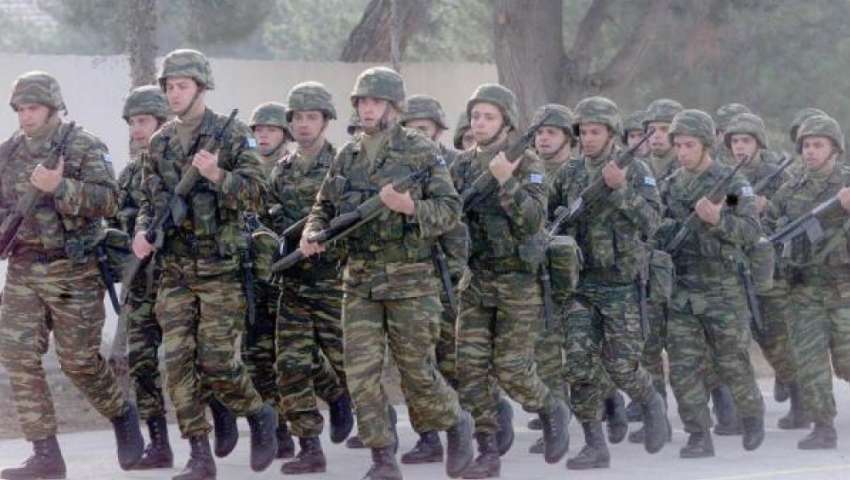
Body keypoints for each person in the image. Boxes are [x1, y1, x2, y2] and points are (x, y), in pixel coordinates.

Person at [299, 66, 474, 480]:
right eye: (362, 101)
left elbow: (450, 210)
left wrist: (410, 207)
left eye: (375, 101)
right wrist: (311, 232)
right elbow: (323, 205)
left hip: (411, 281)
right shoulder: (348, 155)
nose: (367, 108)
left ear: (394, 107)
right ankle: (382, 458)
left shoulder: (419, 150)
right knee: (360, 375)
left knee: (417, 373)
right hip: (360, 280)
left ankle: (455, 422)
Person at [131, 49, 276, 479]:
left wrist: (217, 175)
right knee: (176, 364)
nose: (174, 94)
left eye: (182, 86)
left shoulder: (231, 135)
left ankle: (258, 412)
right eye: (169, 87)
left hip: (220, 268)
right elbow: (149, 201)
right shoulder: (159, 143)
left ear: (201, 88)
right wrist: (142, 231)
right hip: (175, 269)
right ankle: (199, 453)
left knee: (217, 361)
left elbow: (259, 194)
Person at [0, 71, 144, 479]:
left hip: (74, 268)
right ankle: (45, 454)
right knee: (17, 357)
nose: (26, 116)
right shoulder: (8, 153)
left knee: (78, 361)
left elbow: (109, 200)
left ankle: (122, 413)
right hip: (24, 268)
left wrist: (59, 186)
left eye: (33, 108)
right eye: (20, 109)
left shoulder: (83, 145)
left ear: (53, 108)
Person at [451, 84, 570, 478]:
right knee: (469, 368)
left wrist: (507, 181)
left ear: (506, 122)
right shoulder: (462, 165)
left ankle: (550, 408)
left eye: (489, 116)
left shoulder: (529, 162)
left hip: (518, 281)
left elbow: (533, 219)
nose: (480, 123)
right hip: (477, 278)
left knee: (512, 368)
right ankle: (488, 450)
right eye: (475, 116)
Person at [551, 96, 667, 469]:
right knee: (579, 366)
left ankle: (650, 401)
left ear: (611, 134)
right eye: (583, 132)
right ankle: (594, 444)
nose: (587, 138)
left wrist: (621, 190)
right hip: (580, 285)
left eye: (595, 132)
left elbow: (652, 222)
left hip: (621, 284)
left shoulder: (636, 170)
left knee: (621, 366)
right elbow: (551, 219)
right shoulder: (569, 173)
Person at [661, 109, 766, 458]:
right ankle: (698, 434)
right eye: (678, 145)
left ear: (706, 145)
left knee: (732, 361)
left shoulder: (732, 185)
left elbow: (749, 230)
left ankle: (751, 413)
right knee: (682, 368)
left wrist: (719, 218)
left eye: (689, 145)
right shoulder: (671, 185)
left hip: (722, 289)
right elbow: (656, 227)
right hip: (682, 291)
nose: (682, 152)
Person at [270, 81, 353, 474]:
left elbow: (353, 221)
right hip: (293, 284)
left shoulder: (343, 165)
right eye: (298, 118)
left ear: (325, 121)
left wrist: (325, 242)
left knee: (347, 360)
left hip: (334, 281)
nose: (303, 124)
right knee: (291, 364)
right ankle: (308, 446)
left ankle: (378, 427)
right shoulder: (282, 170)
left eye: (312, 117)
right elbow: (269, 219)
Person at [111, 85, 174, 470]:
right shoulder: (129, 174)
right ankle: (159, 443)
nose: (136, 130)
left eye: (144, 121)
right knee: (140, 361)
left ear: (163, 123)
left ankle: (213, 426)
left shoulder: (181, 168)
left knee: (195, 362)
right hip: (141, 283)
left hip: (181, 280)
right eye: (132, 122)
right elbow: (115, 222)